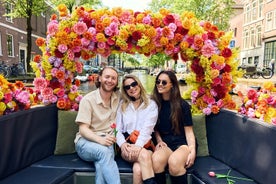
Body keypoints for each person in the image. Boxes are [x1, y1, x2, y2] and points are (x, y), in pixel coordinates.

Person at [74, 66, 121, 184]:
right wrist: (101, 140)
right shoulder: (88, 100)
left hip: (107, 142)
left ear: (116, 82)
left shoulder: (118, 97)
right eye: (107, 77)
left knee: (102, 163)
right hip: (85, 142)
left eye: (113, 78)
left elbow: (137, 95)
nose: (110, 80)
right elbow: (83, 129)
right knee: (105, 153)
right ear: (99, 78)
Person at [151, 70, 196, 184]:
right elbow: (154, 128)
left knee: (174, 162)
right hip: (165, 143)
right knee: (156, 160)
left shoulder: (182, 105)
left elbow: (189, 132)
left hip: (182, 144)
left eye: (164, 82)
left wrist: (192, 150)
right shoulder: (154, 104)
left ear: (172, 85)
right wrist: (159, 140)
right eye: (158, 81)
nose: (160, 84)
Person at [116, 74, 158, 184]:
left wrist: (138, 146)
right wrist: (122, 144)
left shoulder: (151, 104)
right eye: (127, 87)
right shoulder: (122, 105)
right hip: (127, 144)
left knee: (138, 169)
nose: (131, 88)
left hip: (146, 144)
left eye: (134, 84)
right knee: (143, 156)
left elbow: (147, 129)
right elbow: (117, 129)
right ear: (124, 90)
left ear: (139, 84)